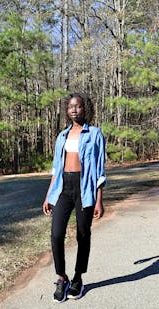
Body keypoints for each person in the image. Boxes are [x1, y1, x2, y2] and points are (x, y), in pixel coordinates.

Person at [42, 92, 106, 302]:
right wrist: (48, 196)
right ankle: (62, 277)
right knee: (56, 234)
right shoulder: (62, 136)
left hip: (84, 187)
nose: (74, 110)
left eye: (77, 106)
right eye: (70, 107)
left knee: (82, 234)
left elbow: (99, 170)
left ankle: (78, 278)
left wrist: (99, 199)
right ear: (67, 110)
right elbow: (56, 169)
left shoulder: (95, 134)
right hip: (63, 188)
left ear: (84, 108)